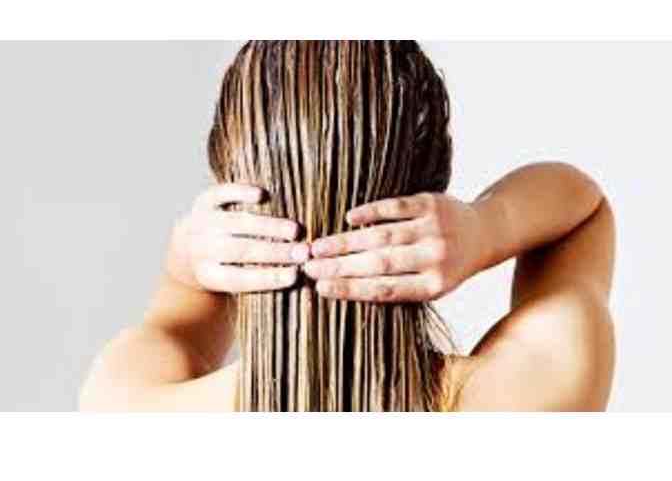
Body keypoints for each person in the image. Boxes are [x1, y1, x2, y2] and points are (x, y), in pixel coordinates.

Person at [80, 41, 615, 411]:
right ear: (430, 192)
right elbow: (583, 213)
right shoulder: (532, 394)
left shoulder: (130, 410)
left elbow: (173, 329)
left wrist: (184, 267)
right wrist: (487, 226)